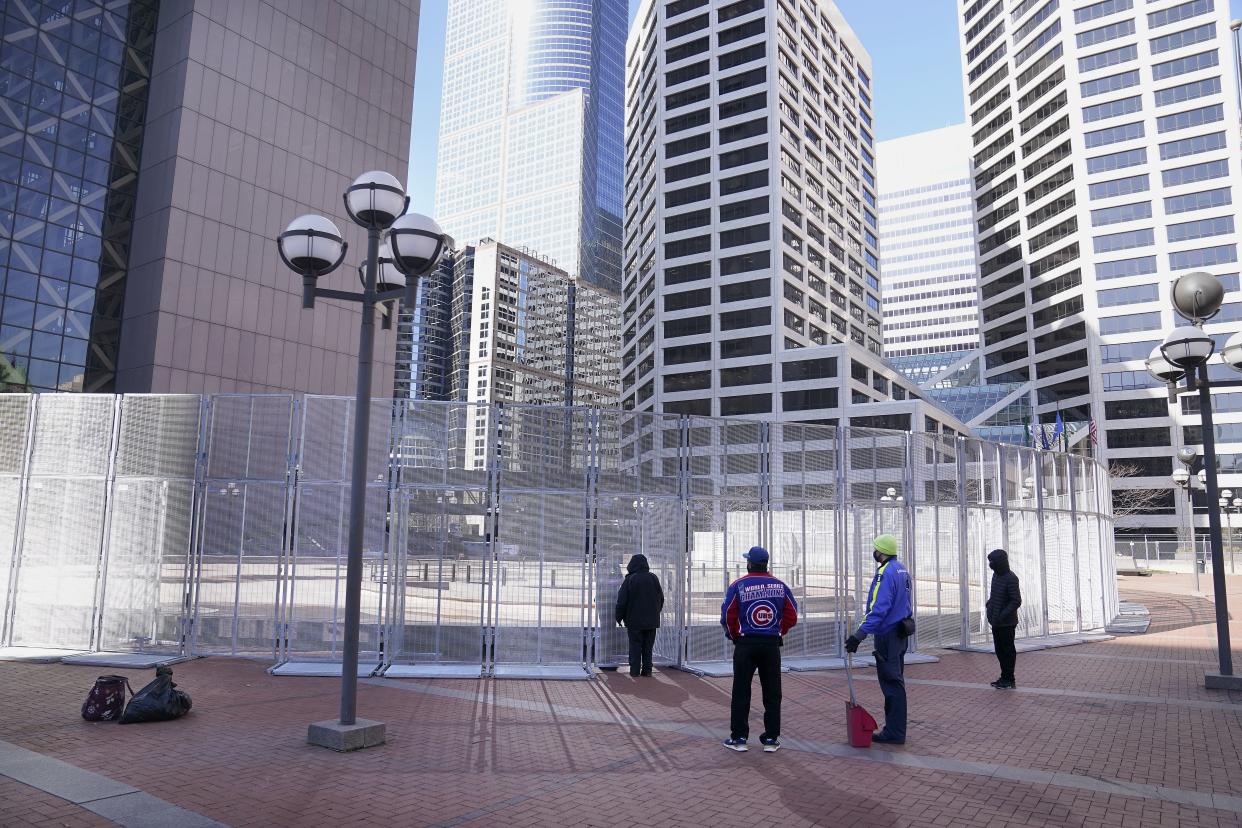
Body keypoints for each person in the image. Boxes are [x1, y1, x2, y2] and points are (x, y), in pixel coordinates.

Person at [720, 546, 798, 753]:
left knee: (741, 691)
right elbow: (792, 616)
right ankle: (771, 738)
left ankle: (739, 738)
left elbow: (728, 615)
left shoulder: (739, 585)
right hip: (771, 644)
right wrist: (778, 631)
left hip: (746, 643)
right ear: (766, 564)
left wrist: (734, 635)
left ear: (749, 564)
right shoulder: (780, 586)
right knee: (773, 693)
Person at [845, 533, 913, 745]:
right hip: (901, 631)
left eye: (875, 549)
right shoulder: (902, 569)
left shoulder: (885, 573)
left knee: (892, 683)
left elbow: (878, 608)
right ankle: (895, 729)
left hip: (888, 635)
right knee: (896, 681)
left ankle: (894, 732)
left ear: (880, 552)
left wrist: (859, 635)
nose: (873, 552)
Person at [614, 553, 664, 677]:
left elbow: (621, 601)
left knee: (635, 646)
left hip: (634, 621)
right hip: (652, 621)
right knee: (648, 647)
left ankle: (635, 671)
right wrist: (655, 612)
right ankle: (647, 671)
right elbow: (660, 598)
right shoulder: (653, 578)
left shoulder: (630, 579)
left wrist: (618, 617)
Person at [985, 548, 1022, 689]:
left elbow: (1016, 600)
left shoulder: (1011, 578)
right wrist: (989, 604)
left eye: (993, 562)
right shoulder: (996, 576)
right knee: (999, 650)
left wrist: (1002, 615)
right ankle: (1004, 677)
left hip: (1007, 623)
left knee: (1007, 651)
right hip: (996, 621)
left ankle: (1009, 678)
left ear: (1000, 562)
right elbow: (994, 595)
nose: (991, 565)